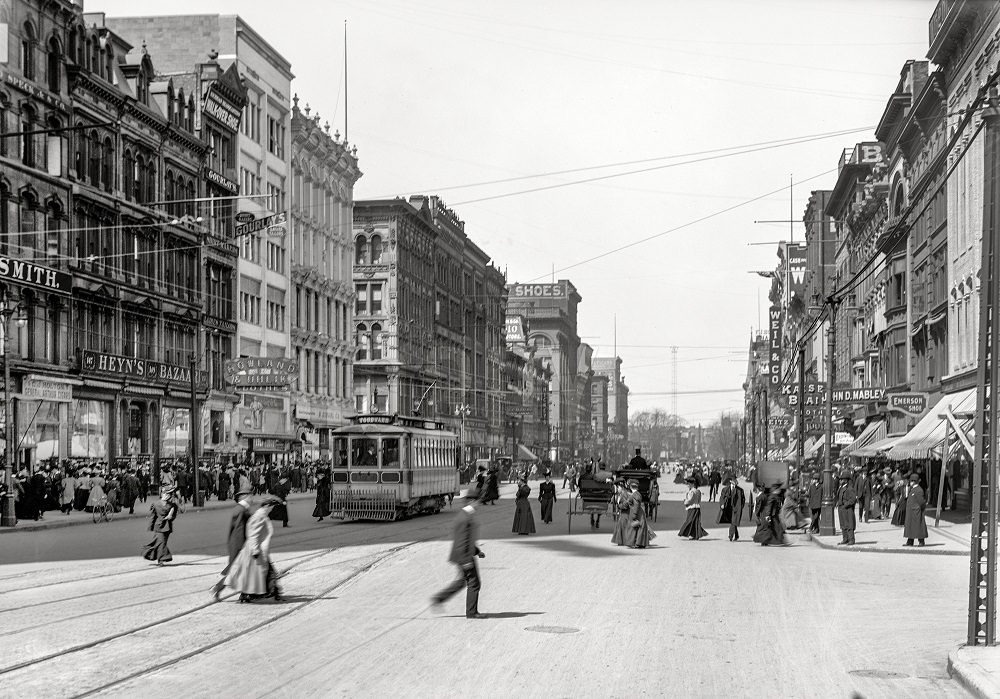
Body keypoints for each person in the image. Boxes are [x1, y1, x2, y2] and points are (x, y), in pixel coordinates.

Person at [432, 490, 487, 619]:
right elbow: (462, 541)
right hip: (464, 556)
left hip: (462, 555)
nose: (479, 505)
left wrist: (478, 552)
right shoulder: (465, 518)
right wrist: (467, 560)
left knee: (462, 582)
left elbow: (467, 539)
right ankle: (472, 612)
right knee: (474, 583)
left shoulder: (465, 515)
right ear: (472, 501)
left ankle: (439, 599)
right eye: (478, 502)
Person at [225, 495, 283, 603]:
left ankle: (260, 593)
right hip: (254, 549)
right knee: (256, 574)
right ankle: (265, 593)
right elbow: (254, 534)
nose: (272, 509)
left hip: (254, 548)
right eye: (271, 507)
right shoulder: (260, 516)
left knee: (253, 574)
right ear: (266, 506)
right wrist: (255, 550)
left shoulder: (261, 515)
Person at [212, 486, 253, 602]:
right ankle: (217, 588)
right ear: (246, 497)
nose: (252, 499)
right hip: (239, 545)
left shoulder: (241, 509)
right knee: (237, 570)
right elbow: (238, 531)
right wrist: (243, 547)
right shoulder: (241, 510)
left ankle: (245, 593)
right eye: (250, 496)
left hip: (238, 544)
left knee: (241, 570)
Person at [143, 486, 179, 566]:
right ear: (163, 494)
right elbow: (153, 517)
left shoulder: (173, 505)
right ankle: (161, 559)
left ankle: (155, 556)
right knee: (161, 543)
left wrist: (170, 517)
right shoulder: (155, 504)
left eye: (170, 494)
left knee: (161, 543)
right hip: (158, 527)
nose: (169, 496)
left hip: (167, 527)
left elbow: (174, 516)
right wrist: (150, 526)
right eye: (167, 494)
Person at [624, 479, 655, 548]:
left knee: (635, 527)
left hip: (637, 513)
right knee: (638, 528)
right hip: (638, 512)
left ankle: (637, 543)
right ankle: (638, 543)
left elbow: (636, 506)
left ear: (631, 487)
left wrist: (634, 515)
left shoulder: (635, 495)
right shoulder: (636, 494)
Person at [903, 472, 928, 546]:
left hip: (916, 511)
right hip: (911, 511)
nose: (910, 482)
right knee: (910, 526)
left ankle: (921, 541)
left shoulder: (919, 490)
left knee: (918, 526)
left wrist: (918, 508)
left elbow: (921, 502)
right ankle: (910, 540)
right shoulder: (912, 489)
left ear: (915, 481)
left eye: (911, 481)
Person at [836, 471, 857, 546]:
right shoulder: (841, 487)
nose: (840, 481)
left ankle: (851, 539)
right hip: (841, 509)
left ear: (846, 480)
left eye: (842, 479)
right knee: (843, 524)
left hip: (848, 509)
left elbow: (853, 499)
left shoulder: (850, 488)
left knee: (849, 524)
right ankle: (845, 539)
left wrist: (846, 505)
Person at [726, 476, 747, 542]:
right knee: (734, 522)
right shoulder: (727, 489)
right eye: (733, 480)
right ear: (731, 481)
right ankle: (736, 535)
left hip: (737, 509)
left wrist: (741, 506)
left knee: (733, 522)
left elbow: (743, 499)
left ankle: (730, 535)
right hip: (730, 508)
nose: (735, 481)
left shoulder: (740, 490)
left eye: (735, 480)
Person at [610, 481, 631, 546]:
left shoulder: (624, 494)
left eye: (618, 487)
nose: (617, 489)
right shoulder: (621, 494)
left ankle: (624, 541)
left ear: (622, 487)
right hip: (623, 513)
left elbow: (625, 505)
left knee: (622, 527)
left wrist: (619, 506)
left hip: (625, 513)